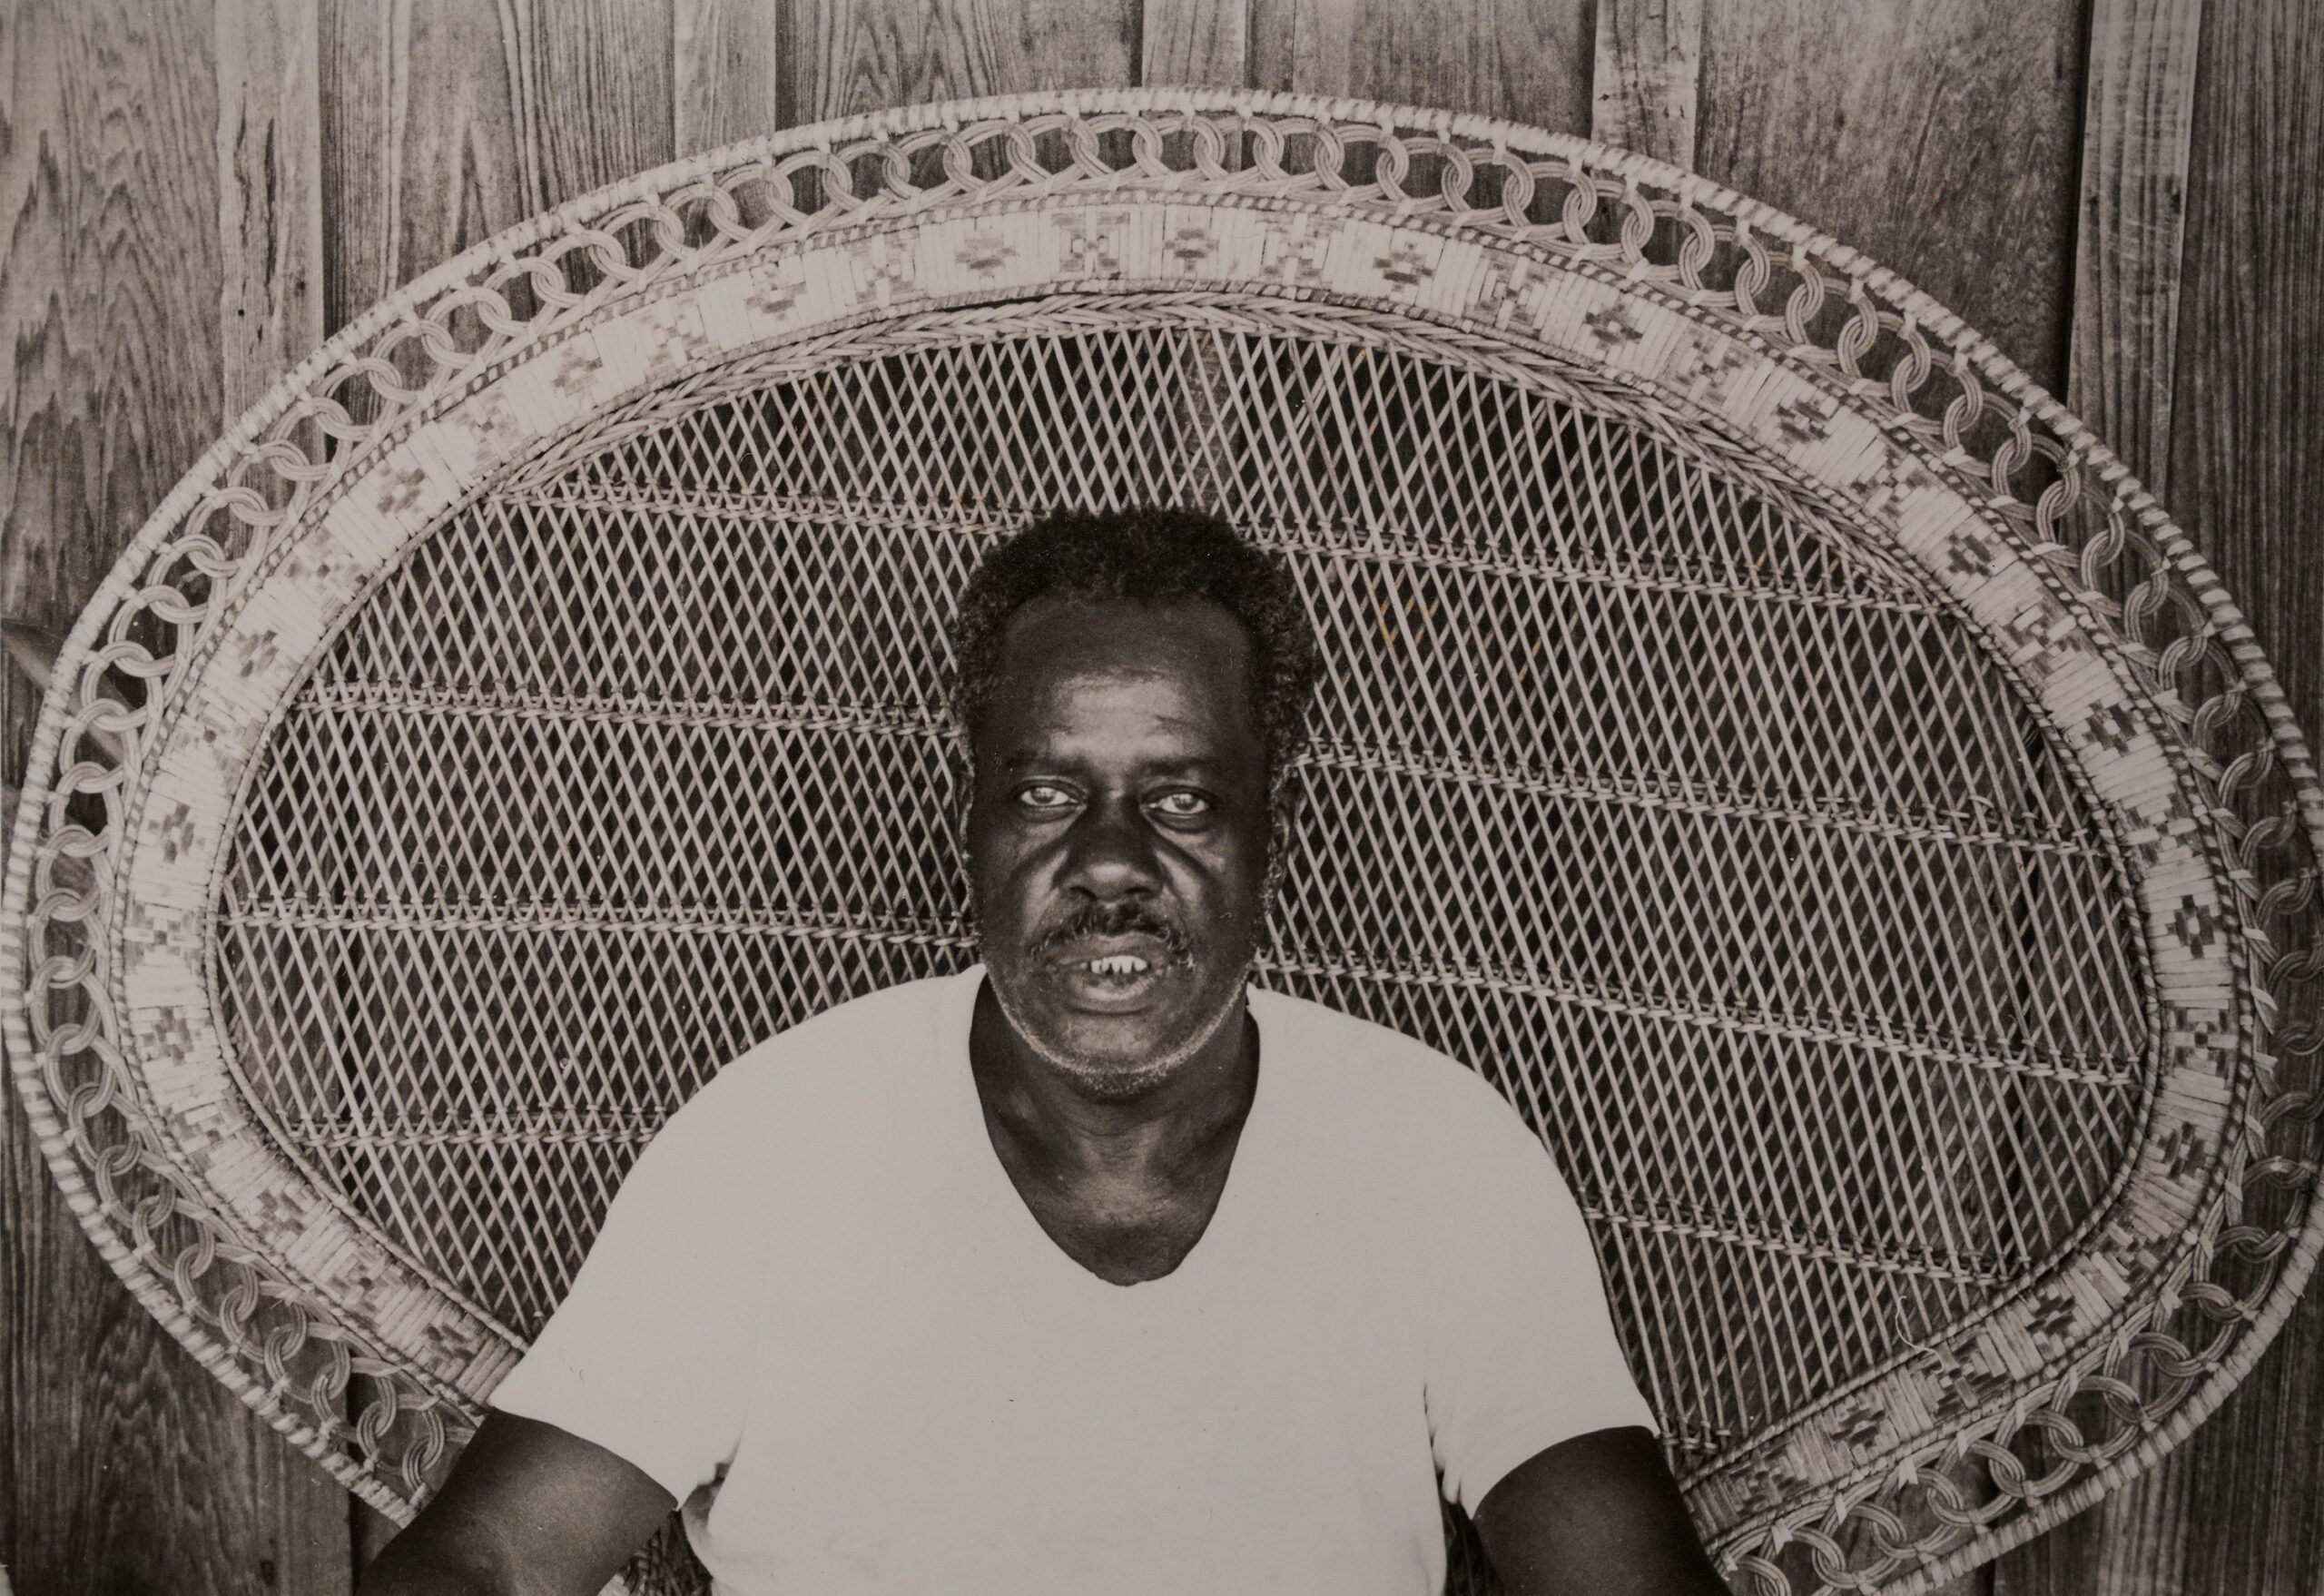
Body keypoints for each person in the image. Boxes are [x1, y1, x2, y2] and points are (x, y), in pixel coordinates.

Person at [358, 507, 1728, 1595]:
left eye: (1181, 797)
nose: (1111, 863)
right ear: (976, 814)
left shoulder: (1431, 1151)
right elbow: (492, 1560)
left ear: (1270, 819)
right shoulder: (781, 1139)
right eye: (1048, 793)